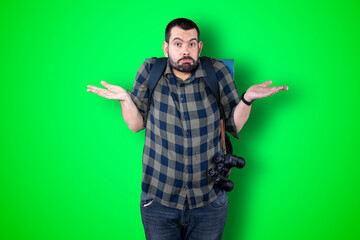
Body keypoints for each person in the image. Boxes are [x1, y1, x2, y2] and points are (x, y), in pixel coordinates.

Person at [87, 18, 288, 240]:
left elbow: (234, 124)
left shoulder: (217, 71)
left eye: (191, 44)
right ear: (166, 47)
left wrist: (247, 99)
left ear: (199, 47)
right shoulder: (150, 70)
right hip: (159, 199)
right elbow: (136, 125)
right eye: (178, 43)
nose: (185, 50)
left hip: (209, 200)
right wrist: (125, 99)